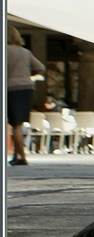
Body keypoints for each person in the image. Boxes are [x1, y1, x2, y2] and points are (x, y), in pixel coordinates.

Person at [7, 25, 46, 166]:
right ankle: (17, 156)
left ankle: (22, 157)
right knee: (17, 123)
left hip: (11, 89)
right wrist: (27, 75)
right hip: (27, 89)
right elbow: (40, 68)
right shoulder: (25, 52)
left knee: (15, 124)